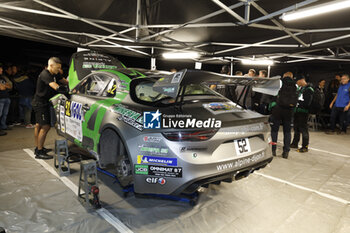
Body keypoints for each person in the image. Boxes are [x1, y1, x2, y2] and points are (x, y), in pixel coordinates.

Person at [32, 57, 69, 159]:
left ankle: (38, 147)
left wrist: (75, 85)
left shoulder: (54, 73)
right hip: (40, 104)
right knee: (45, 126)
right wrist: (67, 91)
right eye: (57, 68)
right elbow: (56, 86)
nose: (58, 70)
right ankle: (39, 152)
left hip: (43, 103)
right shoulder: (45, 74)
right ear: (51, 66)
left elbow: (64, 81)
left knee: (38, 125)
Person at [270, 72, 298, 159]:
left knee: (274, 131)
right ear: (292, 77)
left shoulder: (279, 83)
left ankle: (273, 149)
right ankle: (286, 151)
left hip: (278, 110)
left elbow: (272, 95)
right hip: (289, 111)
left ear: (284, 76)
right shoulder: (295, 86)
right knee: (287, 132)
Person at [290, 76, 314, 152]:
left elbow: (307, 103)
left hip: (304, 112)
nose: (296, 83)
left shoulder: (309, 89)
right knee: (296, 128)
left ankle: (305, 146)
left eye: (297, 81)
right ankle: (295, 143)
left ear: (301, 80)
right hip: (297, 111)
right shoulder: (300, 88)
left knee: (303, 129)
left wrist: (297, 102)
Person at [0, 63, 13, 135]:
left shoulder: (2, 77)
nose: (1, 70)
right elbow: (2, 88)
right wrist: (5, 86)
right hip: (1, 98)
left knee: (5, 114)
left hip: (6, 97)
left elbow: (10, 86)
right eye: (0, 68)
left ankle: (3, 126)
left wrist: (4, 85)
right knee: (0, 114)